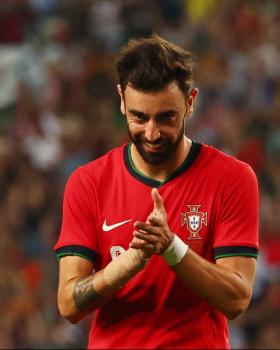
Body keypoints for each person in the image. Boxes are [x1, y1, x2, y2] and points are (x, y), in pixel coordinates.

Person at [54, 35, 259, 349]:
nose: (151, 133)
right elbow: (68, 305)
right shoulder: (89, 182)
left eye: (166, 117)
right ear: (121, 100)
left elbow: (236, 300)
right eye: (139, 117)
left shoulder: (232, 178)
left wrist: (171, 248)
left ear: (190, 103)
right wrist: (127, 264)